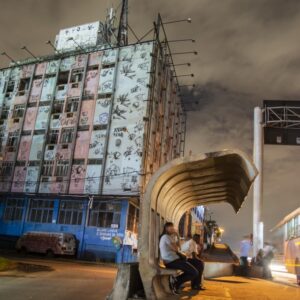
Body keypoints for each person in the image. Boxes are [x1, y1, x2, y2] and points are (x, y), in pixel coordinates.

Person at [159, 222, 199, 294]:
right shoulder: (165, 237)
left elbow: (179, 248)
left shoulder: (169, 237)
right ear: (166, 228)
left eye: (173, 228)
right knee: (194, 272)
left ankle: (177, 281)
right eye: (171, 228)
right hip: (171, 261)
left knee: (197, 265)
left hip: (176, 260)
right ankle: (177, 282)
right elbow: (176, 249)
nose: (173, 230)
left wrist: (177, 236)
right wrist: (176, 236)